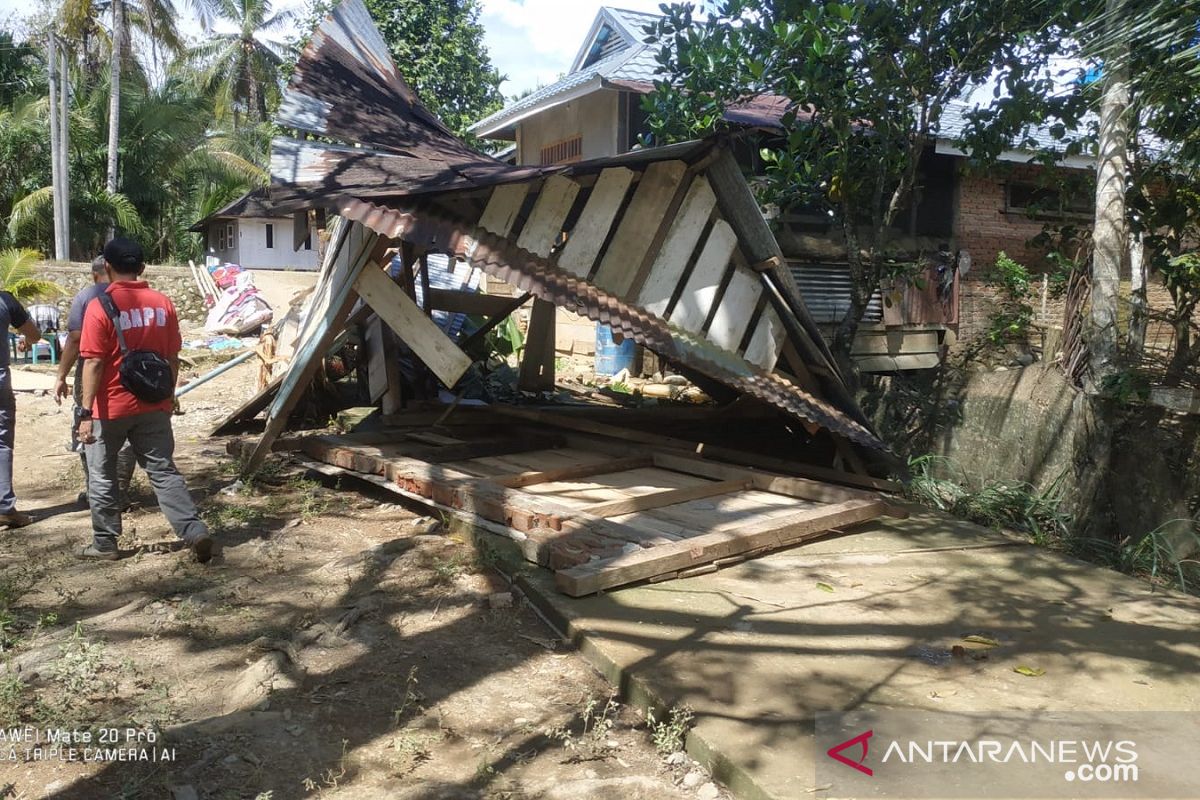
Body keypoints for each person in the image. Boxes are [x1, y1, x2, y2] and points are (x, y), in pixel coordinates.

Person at [76, 238, 213, 562]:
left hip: (110, 407)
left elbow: (94, 362)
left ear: (106, 268)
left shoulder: (99, 307)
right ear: (141, 268)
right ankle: (194, 531)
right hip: (153, 404)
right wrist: (168, 396)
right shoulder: (163, 304)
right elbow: (172, 357)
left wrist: (85, 412)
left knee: (102, 473)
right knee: (163, 471)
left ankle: (105, 544)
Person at [54, 256, 135, 507]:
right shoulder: (138, 296)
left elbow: (76, 340)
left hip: (93, 369)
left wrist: (61, 376)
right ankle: (119, 491)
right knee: (127, 430)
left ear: (94, 274)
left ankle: (96, 492)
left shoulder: (87, 297)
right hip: (132, 371)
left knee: (87, 423)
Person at [0, 292, 42, 528]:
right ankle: (4, 507)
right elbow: (34, 335)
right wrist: (26, 340)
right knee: (2, 441)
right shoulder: (5, 301)